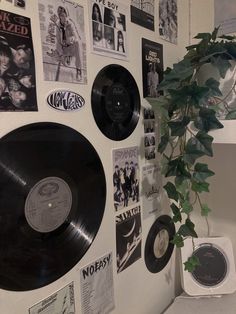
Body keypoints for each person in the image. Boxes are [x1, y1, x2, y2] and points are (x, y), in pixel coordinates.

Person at [56, 6, 82, 80]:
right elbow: (58, 41)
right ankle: (67, 56)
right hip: (63, 48)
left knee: (77, 44)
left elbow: (76, 36)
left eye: (65, 15)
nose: (64, 18)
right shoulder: (58, 25)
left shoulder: (70, 23)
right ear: (59, 16)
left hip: (70, 45)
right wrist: (61, 55)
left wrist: (72, 39)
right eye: (62, 16)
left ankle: (78, 70)